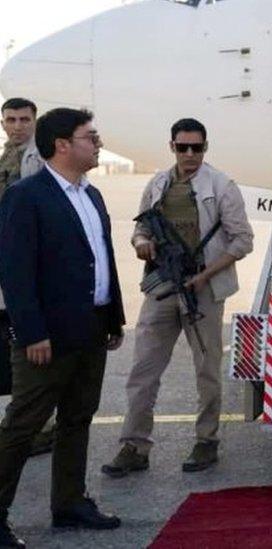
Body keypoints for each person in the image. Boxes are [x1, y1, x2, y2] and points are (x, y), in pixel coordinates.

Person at [0, 108, 126, 548]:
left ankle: (69, 503)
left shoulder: (91, 195)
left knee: (77, 418)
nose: (98, 143)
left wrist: (112, 318)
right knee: (23, 426)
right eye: (90, 137)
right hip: (46, 337)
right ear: (62, 145)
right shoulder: (26, 196)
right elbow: (15, 274)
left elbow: (101, 260)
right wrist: (31, 332)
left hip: (90, 329)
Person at [101, 118, 254, 478]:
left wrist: (205, 275)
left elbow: (242, 240)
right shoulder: (158, 184)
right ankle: (134, 445)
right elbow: (140, 228)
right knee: (142, 370)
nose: (190, 154)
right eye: (182, 147)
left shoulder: (221, 185)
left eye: (197, 148)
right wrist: (142, 245)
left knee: (207, 370)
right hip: (162, 286)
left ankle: (207, 440)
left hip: (203, 291)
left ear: (205, 147)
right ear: (171, 146)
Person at [0, 98, 49, 459]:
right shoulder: (6, 157)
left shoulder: (38, 157)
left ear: (35, 122)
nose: (17, 126)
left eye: (24, 119)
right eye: (11, 120)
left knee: (32, 347)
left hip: (31, 266)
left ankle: (38, 429)